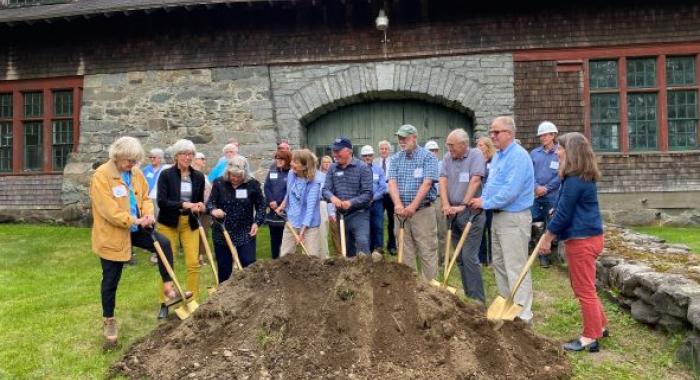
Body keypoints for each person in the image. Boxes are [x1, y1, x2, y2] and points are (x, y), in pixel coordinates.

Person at [90, 137, 190, 347]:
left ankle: (168, 288)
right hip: (113, 232)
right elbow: (109, 211)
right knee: (110, 279)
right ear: (117, 157)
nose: (132, 165)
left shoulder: (135, 172)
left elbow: (144, 197)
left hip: (138, 226)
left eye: (135, 161)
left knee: (163, 243)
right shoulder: (102, 176)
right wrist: (135, 220)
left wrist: (148, 214)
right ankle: (109, 320)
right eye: (129, 161)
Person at [539, 132, 606, 352]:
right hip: (589, 237)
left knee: (583, 289)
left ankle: (590, 336)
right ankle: (601, 326)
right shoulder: (577, 176)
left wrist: (548, 237)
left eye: (560, 148)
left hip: (582, 240)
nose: (557, 152)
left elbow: (565, 214)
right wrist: (555, 208)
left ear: (572, 152)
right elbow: (567, 206)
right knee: (587, 287)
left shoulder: (575, 179)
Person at [468, 116, 535, 324]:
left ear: (510, 133)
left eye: (496, 132)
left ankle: (523, 313)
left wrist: (484, 203)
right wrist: (483, 199)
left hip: (514, 217)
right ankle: (508, 304)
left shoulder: (519, 156)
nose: (492, 136)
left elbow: (510, 192)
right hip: (497, 216)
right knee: (499, 263)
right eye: (491, 132)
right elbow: (492, 185)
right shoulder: (498, 156)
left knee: (515, 265)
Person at [156, 139, 206, 319]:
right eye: (184, 154)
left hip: (189, 223)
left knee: (193, 262)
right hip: (168, 223)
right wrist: (183, 204)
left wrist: (200, 205)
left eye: (191, 154)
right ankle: (165, 302)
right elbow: (161, 202)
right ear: (176, 156)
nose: (187, 157)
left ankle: (192, 301)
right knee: (168, 263)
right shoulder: (166, 175)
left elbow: (199, 200)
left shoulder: (198, 177)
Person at [439, 129, 487, 303]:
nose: (449, 148)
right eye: (448, 145)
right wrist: (445, 205)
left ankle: (478, 301)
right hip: (452, 214)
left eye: (452, 145)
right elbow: (443, 180)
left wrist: (463, 205)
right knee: (459, 257)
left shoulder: (475, 155)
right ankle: (469, 296)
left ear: (464, 144)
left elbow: (475, 181)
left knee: (469, 257)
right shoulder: (447, 158)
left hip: (471, 214)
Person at [388, 125, 439, 280]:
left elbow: (427, 183)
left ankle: (430, 290)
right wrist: (397, 204)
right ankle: (409, 289)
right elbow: (392, 182)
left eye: (405, 138)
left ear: (414, 138)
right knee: (404, 251)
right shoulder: (395, 158)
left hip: (422, 211)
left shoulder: (428, 157)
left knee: (427, 250)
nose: (401, 141)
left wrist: (413, 206)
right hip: (401, 213)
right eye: (399, 138)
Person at [208, 156, 265, 282]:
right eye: (232, 175)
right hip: (222, 230)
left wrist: (257, 222)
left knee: (248, 264)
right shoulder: (219, 183)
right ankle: (224, 296)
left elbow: (261, 205)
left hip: (245, 230)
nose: (234, 178)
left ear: (244, 174)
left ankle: (250, 294)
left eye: (238, 176)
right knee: (224, 268)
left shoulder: (253, 184)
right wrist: (213, 210)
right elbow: (210, 203)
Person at [322, 137, 373, 257]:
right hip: (341, 216)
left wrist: (351, 202)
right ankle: (351, 274)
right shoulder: (332, 168)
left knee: (362, 243)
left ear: (349, 151)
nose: (334, 154)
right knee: (347, 248)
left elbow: (368, 194)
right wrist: (332, 198)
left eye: (337, 151)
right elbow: (325, 190)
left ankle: (366, 271)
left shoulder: (363, 168)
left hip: (360, 213)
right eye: (333, 151)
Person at [275, 149, 323, 257]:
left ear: (305, 166)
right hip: (291, 222)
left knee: (312, 258)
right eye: (292, 161)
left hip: (309, 226)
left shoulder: (314, 183)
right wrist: (282, 206)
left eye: (295, 162)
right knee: (284, 257)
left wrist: (302, 232)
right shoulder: (291, 174)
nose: (291, 164)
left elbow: (310, 210)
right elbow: (288, 193)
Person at [531, 121, 562, 268]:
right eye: (541, 135)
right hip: (536, 196)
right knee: (533, 221)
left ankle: (545, 256)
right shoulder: (534, 153)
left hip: (552, 196)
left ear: (553, 135)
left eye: (545, 135)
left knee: (550, 225)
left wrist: (547, 188)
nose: (543, 138)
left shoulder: (559, 153)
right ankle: (533, 247)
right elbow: (529, 173)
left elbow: (560, 175)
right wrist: (536, 187)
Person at [264, 150, 292, 260]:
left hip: (284, 210)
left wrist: (279, 203)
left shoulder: (291, 173)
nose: (278, 161)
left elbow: (289, 191)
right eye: (277, 158)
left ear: (287, 160)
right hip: (272, 210)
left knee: (284, 238)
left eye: (281, 159)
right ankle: (275, 259)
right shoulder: (272, 171)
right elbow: (266, 187)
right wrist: (271, 201)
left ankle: (284, 259)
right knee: (274, 238)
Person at [360, 145, 387, 255]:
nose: (367, 157)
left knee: (378, 226)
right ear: (362, 156)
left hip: (377, 203)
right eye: (365, 155)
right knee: (365, 227)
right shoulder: (358, 170)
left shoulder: (378, 169)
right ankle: (368, 250)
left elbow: (383, 187)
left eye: (369, 155)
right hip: (362, 204)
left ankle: (379, 249)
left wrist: (373, 198)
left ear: (373, 156)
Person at [425, 140, 447, 265]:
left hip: (439, 199)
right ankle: (430, 257)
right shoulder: (423, 166)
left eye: (435, 150)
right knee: (428, 231)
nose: (433, 153)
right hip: (426, 200)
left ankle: (443, 257)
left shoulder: (443, 165)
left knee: (442, 230)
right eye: (430, 150)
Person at [476, 137, 496, 266]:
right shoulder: (476, 161)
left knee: (491, 229)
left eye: (481, 145)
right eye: (477, 145)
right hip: (478, 199)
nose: (478, 147)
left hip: (490, 200)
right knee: (481, 229)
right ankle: (482, 258)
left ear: (488, 147)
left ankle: (493, 258)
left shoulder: (494, 160)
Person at [375, 140, 396, 255]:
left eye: (386, 149)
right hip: (379, 195)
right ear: (379, 150)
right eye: (382, 149)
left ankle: (392, 245)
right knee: (378, 221)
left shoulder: (394, 161)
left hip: (391, 195)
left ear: (389, 150)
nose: (383, 151)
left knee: (392, 221)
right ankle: (378, 246)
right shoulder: (375, 162)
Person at [192, 152, 212, 267]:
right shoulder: (192, 174)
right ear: (195, 160)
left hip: (206, 208)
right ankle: (195, 257)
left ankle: (201, 256)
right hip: (195, 208)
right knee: (195, 232)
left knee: (204, 231)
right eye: (202, 159)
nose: (204, 161)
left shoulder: (204, 175)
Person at [317, 155, 333, 257]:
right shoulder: (317, 175)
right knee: (316, 231)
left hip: (330, 204)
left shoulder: (333, 175)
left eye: (328, 162)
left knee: (325, 231)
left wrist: (332, 211)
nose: (326, 164)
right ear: (321, 164)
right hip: (319, 203)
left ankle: (325, 254)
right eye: (324, 162)